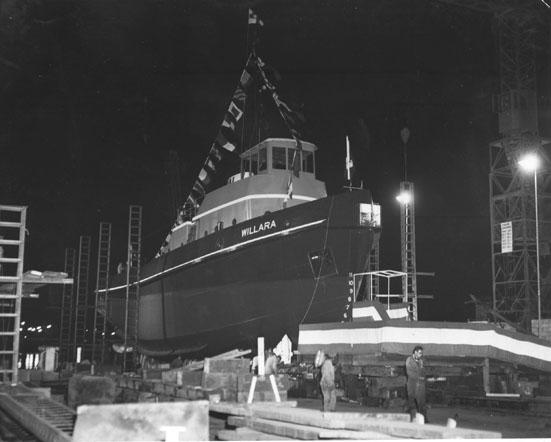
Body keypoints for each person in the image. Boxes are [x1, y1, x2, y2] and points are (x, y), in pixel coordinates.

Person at [406, 345, 428, 422]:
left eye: (421, 353)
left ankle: (423, 419)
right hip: (412, 384)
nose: (420, 355)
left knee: (422, 402)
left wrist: (423, 376)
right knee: (411, 402)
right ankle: (410, 418)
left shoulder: (421, 361)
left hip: (420, 384)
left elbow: (423, 371)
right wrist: (418, 377)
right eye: (419, 353)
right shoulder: (409, 360)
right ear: (415, 352)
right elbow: (409, 372)